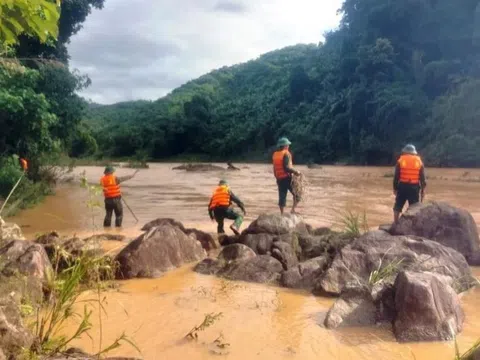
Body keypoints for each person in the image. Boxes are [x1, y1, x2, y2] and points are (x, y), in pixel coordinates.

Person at [393, 144, 427, 223]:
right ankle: (413, 224)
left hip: (402, 186)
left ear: (405, 152)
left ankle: (395, 223)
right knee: (414, 206)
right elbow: (422, 178)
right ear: (414, 152)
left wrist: (395, 188)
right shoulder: (419, 161)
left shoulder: (400, 160)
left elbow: (396, 177)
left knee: (398, 205)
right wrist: (423, 190)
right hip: (414, 187)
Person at [272, 137, 301, 215]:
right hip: (287, 178)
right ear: (285, 146)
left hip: (279, 179)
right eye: (288, 145)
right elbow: (286, 167)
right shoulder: (286, 154)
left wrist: (277, 177)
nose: (288, 146)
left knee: (282, 197)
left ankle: (282, 214)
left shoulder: (275, 155)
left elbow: (274, 168)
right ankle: (292, 210)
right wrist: (296, 172)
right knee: (298, 194)